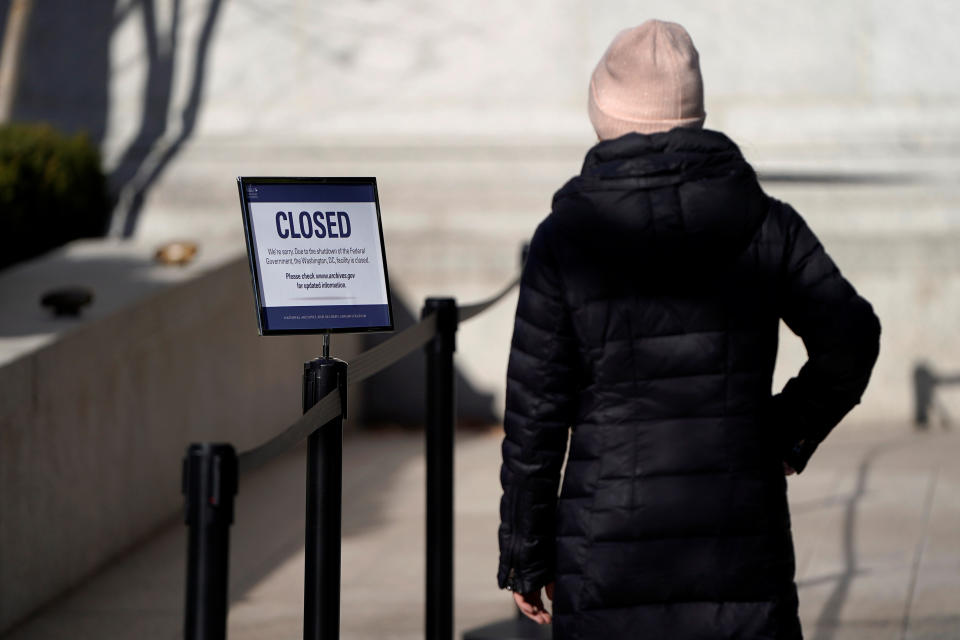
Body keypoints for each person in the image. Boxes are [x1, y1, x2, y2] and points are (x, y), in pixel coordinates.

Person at [496, 19, 881, 640]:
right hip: (740, 541)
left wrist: (525, 551)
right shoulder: (767, 223)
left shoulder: (565, 239)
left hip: (606, 543)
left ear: (604, 117)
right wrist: (784, 434)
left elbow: (535, 415)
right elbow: (853, 338)